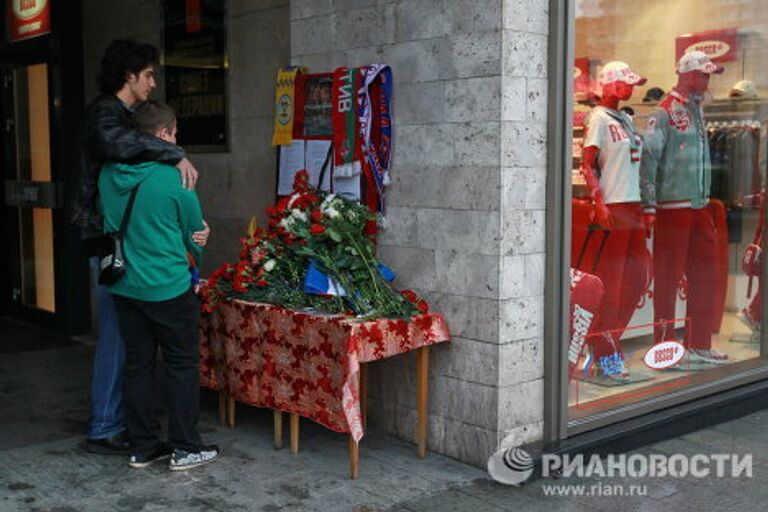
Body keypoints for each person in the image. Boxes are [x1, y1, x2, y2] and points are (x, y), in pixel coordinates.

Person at [71, 39, 206, 455]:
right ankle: (106, 426)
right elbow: (118, 147)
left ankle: (127, 429)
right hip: (110, 245)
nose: (153, 82)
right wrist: (172, 152)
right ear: (128, 75)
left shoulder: (122, 116)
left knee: (132, 349)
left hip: (121, 248)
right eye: (148, 74)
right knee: (119, 341)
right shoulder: (105, 114)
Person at [99, 101, 219, 470]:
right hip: (167, 286)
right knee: (181, 364)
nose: (177, 138)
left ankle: (143, 446)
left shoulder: (108, 173)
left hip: (124, 287)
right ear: (165, 135)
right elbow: (194, 234)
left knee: (138, 364)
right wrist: (201, 239)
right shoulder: (174, 176)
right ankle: (185, 446)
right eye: (175, 131)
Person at [640, 51, 728, 366]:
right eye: (703, 75)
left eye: (708, 76)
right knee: (667, 278)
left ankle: (698, 343)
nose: (706, 81)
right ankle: (663, 349)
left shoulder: (697, 110)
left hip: (699, 205)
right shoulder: (663, 112)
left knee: (705, 275)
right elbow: (649, 160)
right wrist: (649, 204)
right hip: (671, 208)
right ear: (688, 74)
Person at [580, 61, 651, 382]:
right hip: (614, 205)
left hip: (633, 206)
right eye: (624, 84)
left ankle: (609, 342)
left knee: (637, 279)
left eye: (631, 84)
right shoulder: (598, 118)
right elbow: (587, 163)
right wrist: (599, 201)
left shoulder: (625, 118)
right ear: (609, 84)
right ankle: (606, 356)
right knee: (612, 283)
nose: (630, 89)